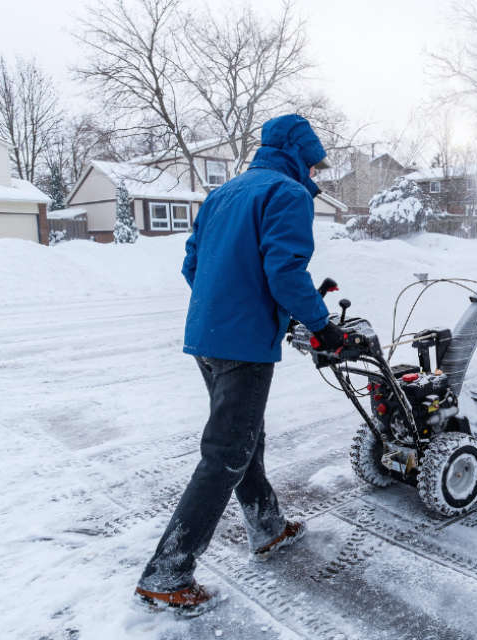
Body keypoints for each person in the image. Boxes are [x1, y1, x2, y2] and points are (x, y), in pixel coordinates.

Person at [134, 115, 346, 615]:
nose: (314, 174)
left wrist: (228, 305)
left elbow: (192, 263)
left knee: (243, 437)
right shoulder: (287, 194)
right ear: (297, 153)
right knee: (226, 453)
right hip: (244, 345)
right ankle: (167, 573)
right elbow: (285, 271)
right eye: (313, 163)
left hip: (206, 336)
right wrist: (323, 327)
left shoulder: (223, 193)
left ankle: (267, 526)